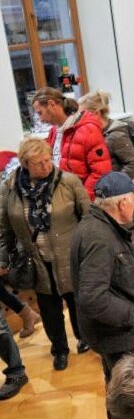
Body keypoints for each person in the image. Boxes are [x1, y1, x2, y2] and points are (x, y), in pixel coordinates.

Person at [0, 137, 86, 366]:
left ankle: (84, 337)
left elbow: (88, 218)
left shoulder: (68, 182)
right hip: (36, 259)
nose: (46, 166)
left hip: (70, 255)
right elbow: (4, 228)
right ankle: (59, 350)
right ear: (25, 164)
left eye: (48, 160)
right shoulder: (10, 189)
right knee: (49, 308)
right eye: (39, 163)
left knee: (76, 299)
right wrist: (3, 258)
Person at [71, 172, 134, 380]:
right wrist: (131, 315)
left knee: (117, 388)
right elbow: (93, 298)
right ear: (122, 203)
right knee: (127, 396)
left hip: (110, 330)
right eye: (133, 199)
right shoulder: (100, 239)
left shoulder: (96, 226)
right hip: (114, 333)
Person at [33, 88, 111, 200]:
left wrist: (81, 198)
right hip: (62, 198)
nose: (40, 120)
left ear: (52, 104)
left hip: (79, 201)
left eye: (40, 113)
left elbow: (101, 172)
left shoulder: (88, 130)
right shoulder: (54, 132)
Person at [77, 91, 134, 179]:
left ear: (97, 113)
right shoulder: (95, 132)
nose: (80, 119)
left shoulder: (115, 135)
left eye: (82, 114)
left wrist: (115, 184)